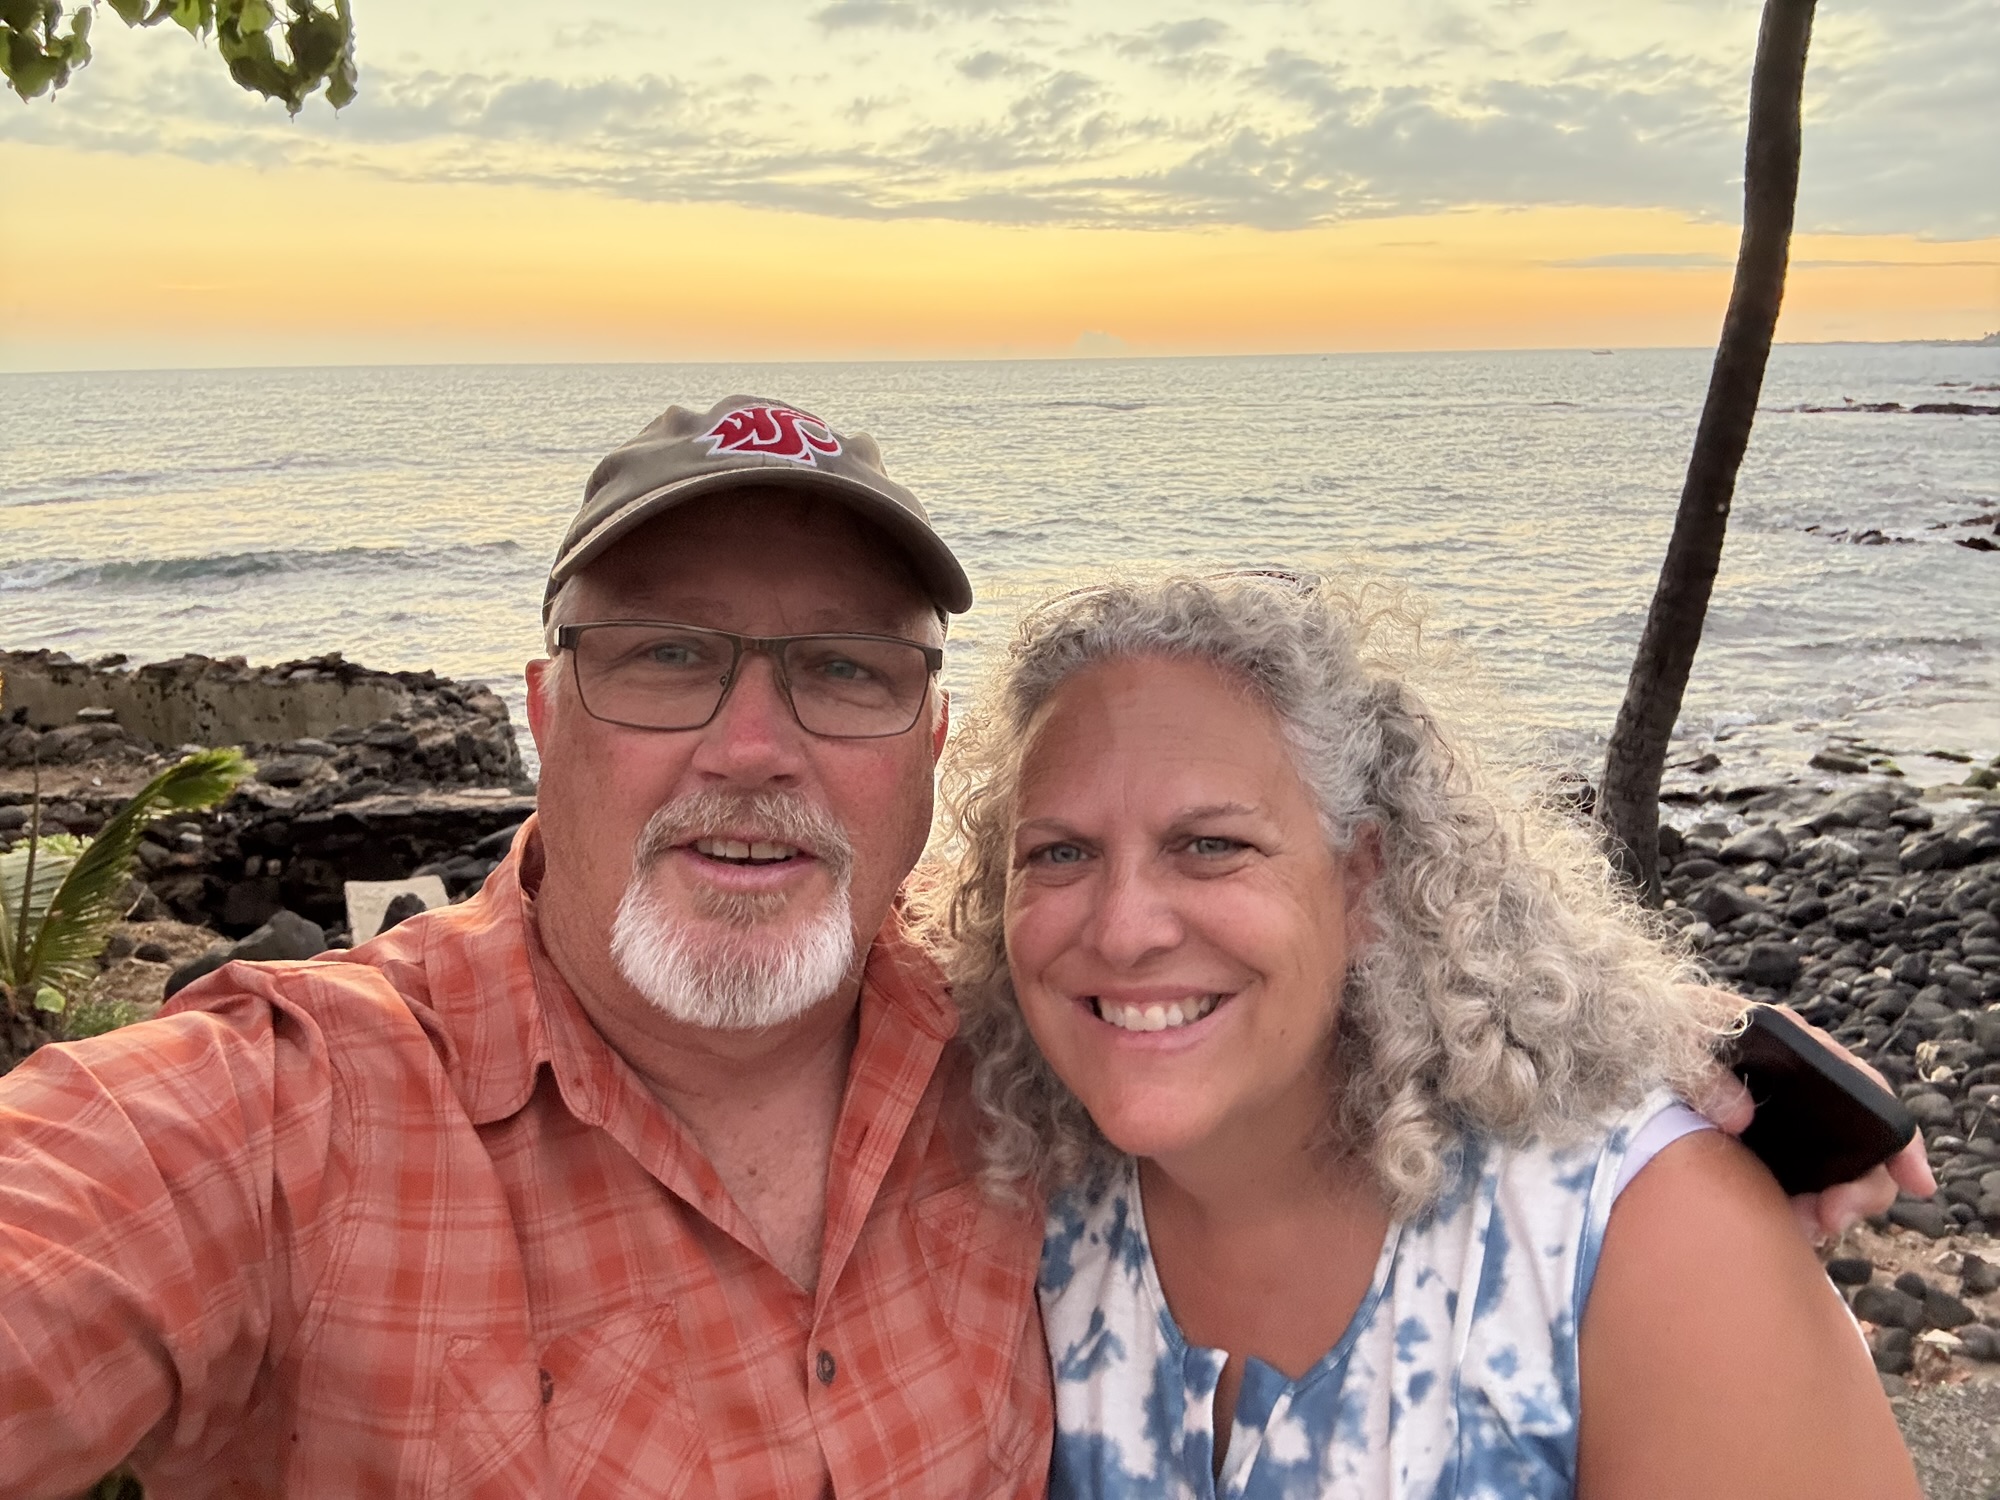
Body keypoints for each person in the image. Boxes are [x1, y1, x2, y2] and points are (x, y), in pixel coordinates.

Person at [0, 398, 1928, 1498]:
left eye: (840, 672)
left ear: (924, 754)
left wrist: (1657, 1071)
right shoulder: (299, 1114)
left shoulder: (1021, 1084)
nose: (752, 748)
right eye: (667, 656)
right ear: (541, 714)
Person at [935, 572, 1921, 1499]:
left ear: (1361, 882)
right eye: (1058, 854)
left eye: (1211, 845)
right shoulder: (1009, 1194)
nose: (1121, 929)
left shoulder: (1634, 1241)